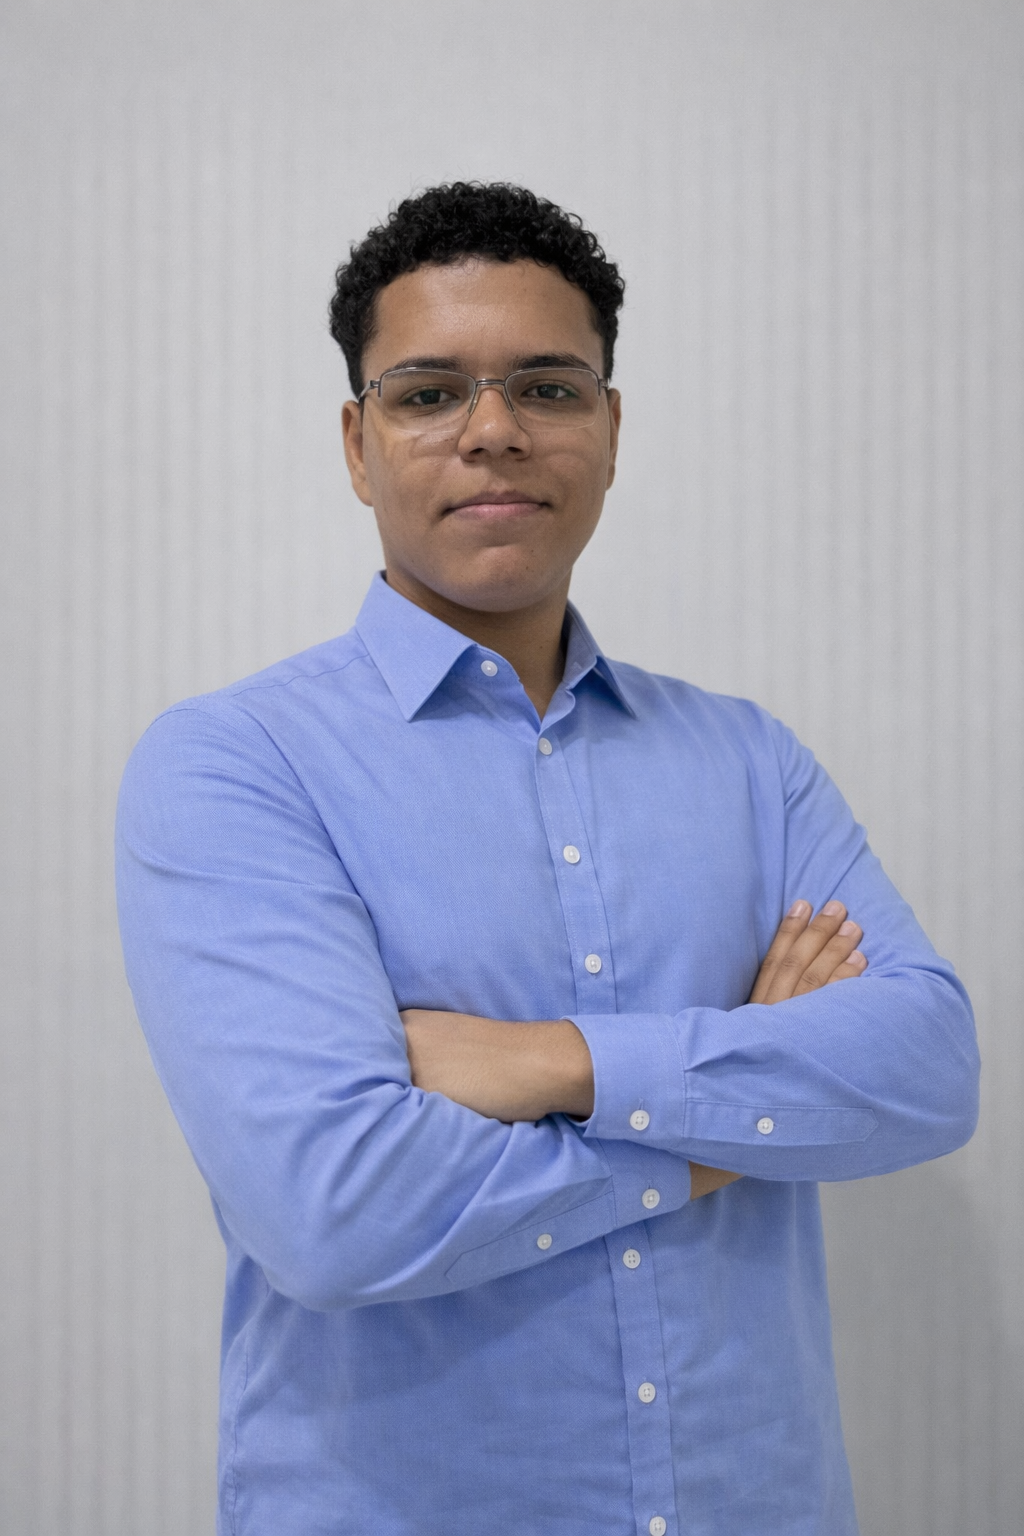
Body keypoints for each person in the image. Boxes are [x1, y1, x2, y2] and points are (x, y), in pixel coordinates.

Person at [115, 182, 979, 1536]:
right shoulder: (236, 765)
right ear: (357, 444)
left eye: (547, 387)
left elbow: (925, 1070)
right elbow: (333, 1212)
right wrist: (726, 1134)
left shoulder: (749, 761)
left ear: (611, 429)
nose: (494, 430)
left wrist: (552, 1063)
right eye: (427, 393)